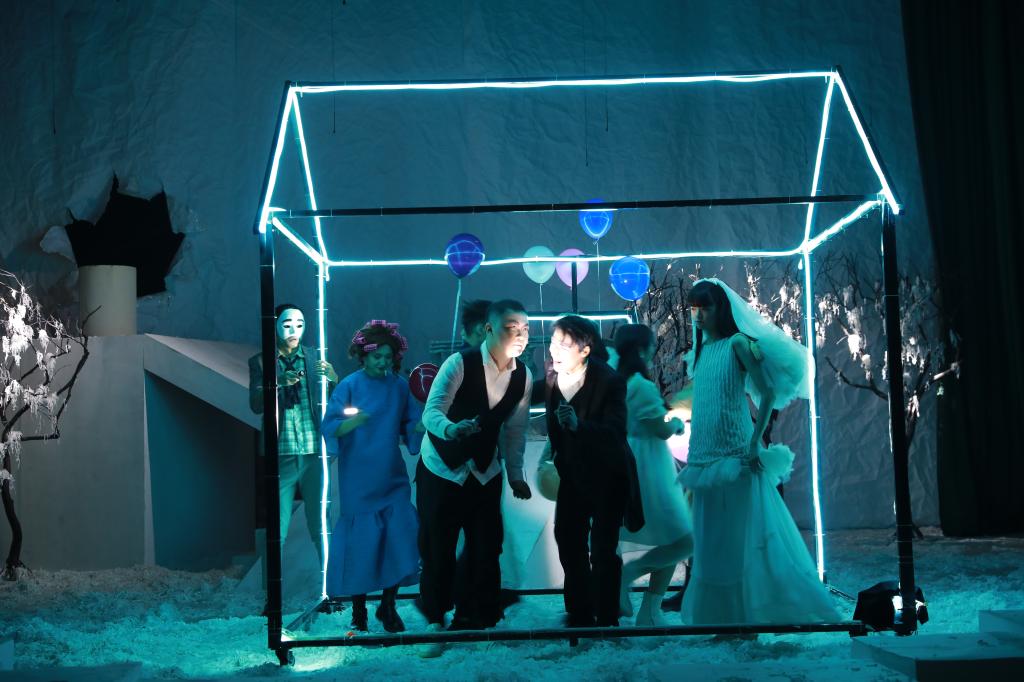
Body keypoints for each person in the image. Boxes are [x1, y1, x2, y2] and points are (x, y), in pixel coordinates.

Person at [680, 278, 838, 625]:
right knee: (713, 539)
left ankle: (751, 614)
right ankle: (723, 617)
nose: (698, 315)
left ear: (720, 309)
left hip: (735, 449)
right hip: (705, 451)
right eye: (694, 308)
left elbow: (766, 392)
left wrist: (754, 440)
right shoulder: (702, 351)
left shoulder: (737, 343)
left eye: (705, 308)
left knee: (743, 535)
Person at [417, 300, 534, 653]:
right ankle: (435, 620)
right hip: (441, 468)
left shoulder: (523, 376)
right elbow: (431, 412)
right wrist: (450, 429)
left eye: (525, 329)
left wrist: (516, 475)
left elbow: (515, 431)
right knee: (438, 547)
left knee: (487, 546)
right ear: (489, 329)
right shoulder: (459, 363)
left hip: (486, 470)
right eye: (512, 328)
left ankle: (479, 618)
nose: (521, 335)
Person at [322, 320, 421, 633]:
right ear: (363, 355)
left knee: (400, 534)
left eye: (388, 357)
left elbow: (411, 422)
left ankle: (388, 605)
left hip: (391, 474)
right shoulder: (349, 385)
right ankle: (359, 611)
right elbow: (330, 424)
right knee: (361, 543)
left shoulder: (400, 386)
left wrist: (423, 425)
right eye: (377, 356)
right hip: (358, 476)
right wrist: (352, 423)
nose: (383, 362)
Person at [545, 315, 644, 628]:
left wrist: (579, 425)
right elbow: (552, 427)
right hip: (573, 473)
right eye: (553, 343)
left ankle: (607, 616)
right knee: (567, 538)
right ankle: (580, 612)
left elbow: (616, 432)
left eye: (564, 345)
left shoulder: (608, 380)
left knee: (602, 548)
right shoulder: (553, 377)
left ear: (585, 350)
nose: (555, 350)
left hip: (608, 474)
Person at [248, 304, 338, 593]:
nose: (294, 331)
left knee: (320, 524)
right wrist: (276, 384)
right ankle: (271, 596)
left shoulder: (313, 358)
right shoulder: (261, 361)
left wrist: (333, 379)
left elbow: (332, 399)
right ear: (275, 325)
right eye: (287, 324)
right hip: (282, 452)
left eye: (299, 324)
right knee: (277, 527)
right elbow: (255, 404)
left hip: (313, 451)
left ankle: (331, 588)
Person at [613, 324, 694, 626]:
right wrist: (677, 424)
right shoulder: (641, 386)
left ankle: (650, 611)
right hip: (650, 470)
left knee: (672, 539)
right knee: (683, 540)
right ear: (642, 350)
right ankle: (631, 579)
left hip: (631, 462)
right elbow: (660, 429)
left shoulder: (617, 380)